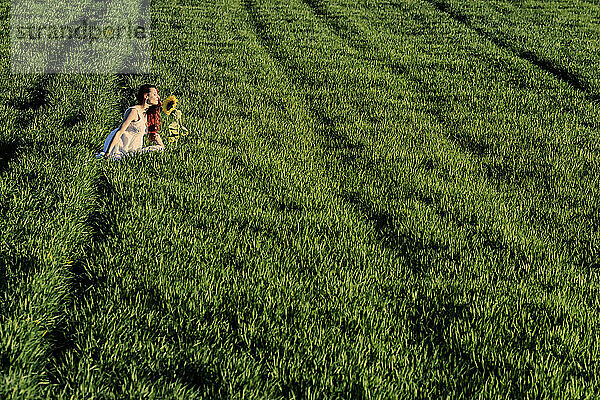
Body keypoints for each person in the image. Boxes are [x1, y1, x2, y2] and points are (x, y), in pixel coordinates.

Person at [100, 84, 165, 161]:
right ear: (146, 96)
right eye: (154, 94)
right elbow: (119, 131)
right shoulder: (133, 111)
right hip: (121, 148)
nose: (157, 97)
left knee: (159, 149)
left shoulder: (147, 115)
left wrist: (161, 146)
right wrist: (108, 152)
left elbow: (155, 135)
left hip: (134, 150)